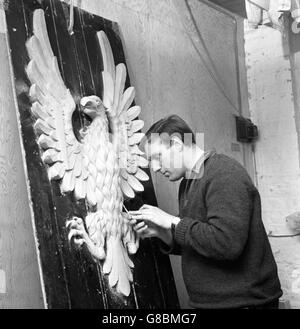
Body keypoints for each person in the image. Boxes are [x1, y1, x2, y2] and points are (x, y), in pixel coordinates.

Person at [129, 114, 282, 309]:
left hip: (245, 303)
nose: (155, 168)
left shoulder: (224, 173)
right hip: (211, 304)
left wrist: (171, 221)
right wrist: (162, 233)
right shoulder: (188, 182)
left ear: (176, 143)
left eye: (157, 158)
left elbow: (227, 244)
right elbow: (198, 240)